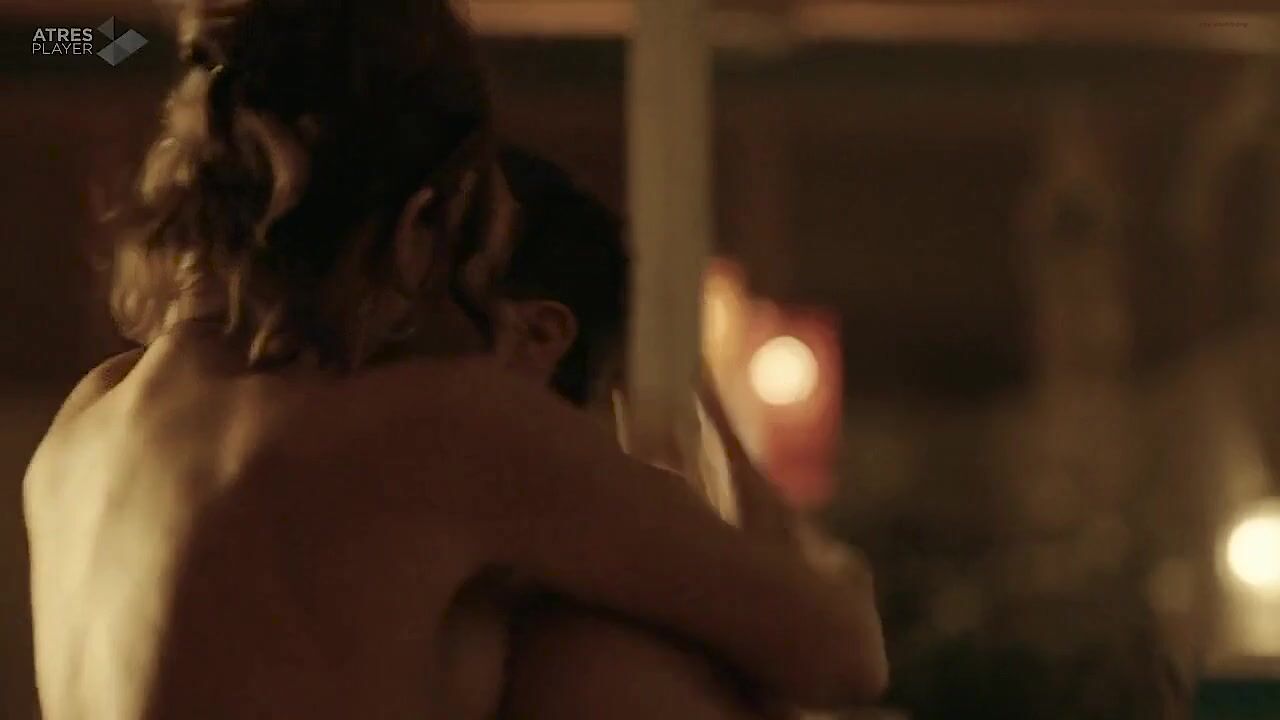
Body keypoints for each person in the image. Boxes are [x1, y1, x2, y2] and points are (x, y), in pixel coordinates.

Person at [23, 3, 885, 719]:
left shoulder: (80, 431)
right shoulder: (434, 425)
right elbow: (842, 655)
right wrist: (715, 432)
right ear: (421, 227)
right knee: (603, 658)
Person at [487, 146, 881, 720]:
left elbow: (846, 649)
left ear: (539, 333)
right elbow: (847, 649)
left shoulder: (533, 474)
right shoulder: (524, 487)